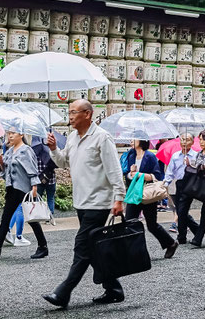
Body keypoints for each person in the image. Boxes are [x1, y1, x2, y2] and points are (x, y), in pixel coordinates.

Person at [42, 99, 126, 308]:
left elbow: (114, 170)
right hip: (82, 201)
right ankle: (113, 288)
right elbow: (63, 162)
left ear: (87, 114)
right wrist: (53, 148)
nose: (70, 116)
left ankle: (63, 292)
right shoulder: (72, 137)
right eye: (69, 112)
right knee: (95, 248)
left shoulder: (101, 138)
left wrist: (119, 198)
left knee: (82, 246)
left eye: (73, 112)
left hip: (99, 203)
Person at [0, 131, 48, 260]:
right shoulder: (10, 151)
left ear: (21, 135)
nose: (10, 136)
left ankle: (43, 246)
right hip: (12, 189)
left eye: (13, 133)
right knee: (5, 219)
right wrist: (1, 163)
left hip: (24, 189)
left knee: (32, 219)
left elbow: (33, 169)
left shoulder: (26, 150)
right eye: (9, 133)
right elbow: (5, 171)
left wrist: (34, 187)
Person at [124, 139, 179, 259]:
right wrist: (131, 174)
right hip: (135, 194)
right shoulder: (130, 155)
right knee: (129, 222)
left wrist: (140, 175)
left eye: (134, 139)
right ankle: (137, 252)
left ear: (142, 141)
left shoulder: (149, 156)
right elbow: (126, 174)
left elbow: (157, 176)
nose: (131, 141)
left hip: (149, 193)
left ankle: (170, 243)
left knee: (151, 225)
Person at [163, 133, 200, 243]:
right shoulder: (175, 156)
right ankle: (197, 230)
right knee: (180, 210)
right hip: (179, 184)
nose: (184, 142)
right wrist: (165, 184)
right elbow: (170, 172)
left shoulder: (196, 156)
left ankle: (181, 236)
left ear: (192, 142)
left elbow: (200, 170)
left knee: (182, 210)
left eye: (187, 140)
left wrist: (190, 165)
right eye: (182, 139)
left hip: (191, 184)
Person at [33, 136, 58, 225]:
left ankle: (37, 217)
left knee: (38, 198)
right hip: (51, 179)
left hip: (39, 179)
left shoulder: (35, 154)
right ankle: (49, 217)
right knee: (50, 198)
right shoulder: (50, 153)